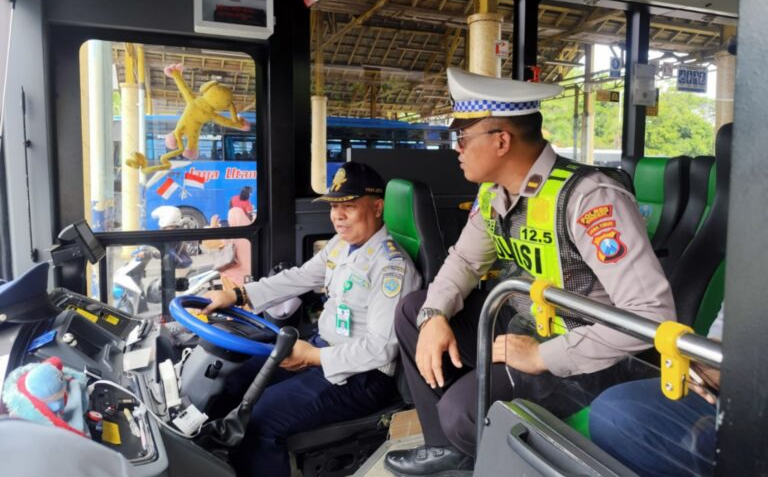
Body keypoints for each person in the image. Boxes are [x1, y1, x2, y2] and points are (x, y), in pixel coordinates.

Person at [384, 67, 675, 475]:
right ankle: (453, 449)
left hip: (587, 350)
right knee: (413, 311)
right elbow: (465, 261)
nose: (457, 149)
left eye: (462, 137)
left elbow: (650, 316)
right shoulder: (493, 195)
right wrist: (433, 316)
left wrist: (542, 355)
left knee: (461, 412)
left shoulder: (589, 198)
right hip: (524, 319)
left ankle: (475, 442)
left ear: (501, 140)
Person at [201, 162, 422, 477]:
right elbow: (300, 277)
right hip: (322, 349)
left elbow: (380, 349)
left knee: (261, 420)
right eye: (334, 206)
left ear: (377, 207)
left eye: (348, 206)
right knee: (233, 381)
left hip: (361, 376)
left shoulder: (392, 268)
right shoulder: (341, 245)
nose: (337, 215)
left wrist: (314, 356)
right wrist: (238, 295)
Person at [589, 307, 724, 477]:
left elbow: (651, 311)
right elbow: (732, 318)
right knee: (613, 412)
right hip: (727, 386)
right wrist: (711, 355)